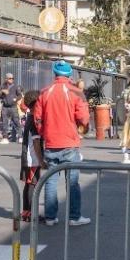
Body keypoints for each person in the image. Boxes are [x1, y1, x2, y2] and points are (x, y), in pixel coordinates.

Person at [33, 60, 92, 226]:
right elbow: (84, 118)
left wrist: (45, 133)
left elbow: (38, 119)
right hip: (69, 142)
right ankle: (74, 217)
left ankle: (50, 217)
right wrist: (82, 127)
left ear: (55, 73)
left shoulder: (45, 92)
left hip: (51, 142)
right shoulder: (76, 92)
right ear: (69, 74)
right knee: (72, 181)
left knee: (51, 180)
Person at [19, 90, 43, 223]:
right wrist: (41, 160)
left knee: (29, 185)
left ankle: (26, 211)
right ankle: (31, 213)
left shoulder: (29, 117)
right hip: (32, 158)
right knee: (33, 185)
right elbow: (36, 141)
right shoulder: (33, 120)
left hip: (28, 157)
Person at [0, 73, 23, 144]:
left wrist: (16, 99)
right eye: (10, 78)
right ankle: (5, 138)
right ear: (6, 79)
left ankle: (20, 137)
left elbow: (20, 95)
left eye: (12, 78)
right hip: (5, 106)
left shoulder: (16, 86)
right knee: (4, 123)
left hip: (13, 107)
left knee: (16, 122)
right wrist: (1, 92)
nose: (11, 79)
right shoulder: (2, 86)